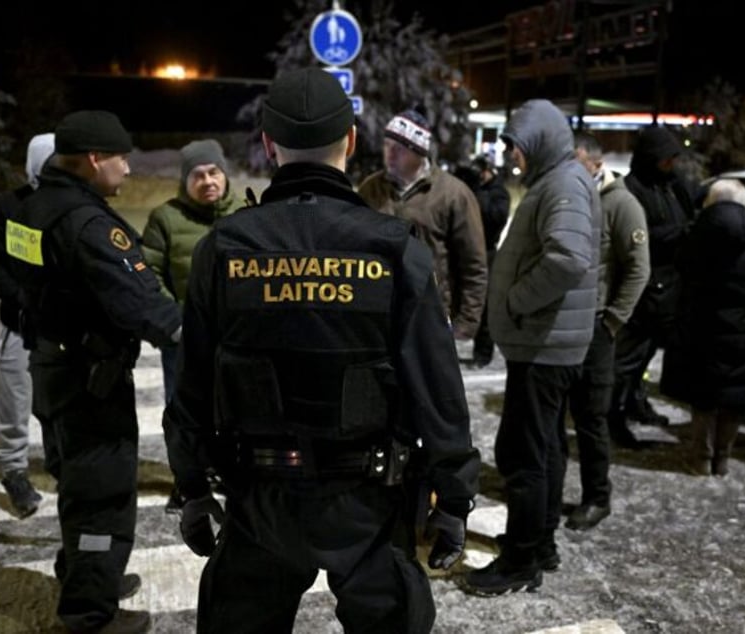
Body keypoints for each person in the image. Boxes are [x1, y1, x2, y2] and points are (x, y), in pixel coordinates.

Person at [163, 67, 480, 633]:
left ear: (267, 145)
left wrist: (190, 485)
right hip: (369, 505)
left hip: (258, 500)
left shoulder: (226, 249)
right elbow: (437, 386)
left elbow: (190, 383)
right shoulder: (393, 249)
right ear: (352, 140)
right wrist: (454, 495)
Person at [7, 110, 181, 634]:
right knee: (102, 495)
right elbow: (145, 304)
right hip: (89, 381)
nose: (128, 169)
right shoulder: (89, 225)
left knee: (77, 483)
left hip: (51, 367)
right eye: (121, 158)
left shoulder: (29, 209)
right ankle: (89, 613)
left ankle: (84, 573)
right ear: (94, 159)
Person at [461, 99, 601, 595]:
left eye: (515, 146)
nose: (511, 157)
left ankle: (520, 560)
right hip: (547, 343)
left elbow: (566, 259)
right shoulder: (558, 180)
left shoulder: (562, 183)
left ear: (539, 140)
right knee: (543, 448)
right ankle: (539, 544)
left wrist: (517, 299)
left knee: (523, 453)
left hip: (544, 343)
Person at [141, 138, 239, 514]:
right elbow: (150, 273)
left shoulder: (245, 212)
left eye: (214, 172)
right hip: (185, 338)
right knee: (183, 410)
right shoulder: (165, 219)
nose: (208, 181)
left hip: (234, 337)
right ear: (185, 181)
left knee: (232, 409)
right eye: (198, 175)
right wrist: (176, 322)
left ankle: (229, 473)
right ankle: (188, 480)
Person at [565, 132, 650, 530]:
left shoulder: (621, 203)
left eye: (577, 161)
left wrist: (614, 320)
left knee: (591, 417)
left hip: (597, 325)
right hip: (566, 323)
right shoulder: (571, 197)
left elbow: (638, 268)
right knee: (561, 414)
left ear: (596, 164)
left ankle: (598, 497)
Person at [664, 179, 745, 476]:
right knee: (735, 400)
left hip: (702, 329)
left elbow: (680, 268)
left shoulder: (693, 236)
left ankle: (700, 457)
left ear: (711, 202)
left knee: (703, 398)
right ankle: (723, 458)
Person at [0, 133, 54, 518]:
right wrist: (18, 295)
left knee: (58, 400)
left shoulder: (74, 206)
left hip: (63, 329)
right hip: (19, 326)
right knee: (15, 400)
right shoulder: (7, 207)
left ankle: (60, 461)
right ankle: (12, 468)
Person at [357, 108, 487, 340]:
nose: (390, 155)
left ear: (419, 153)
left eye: (399, 149)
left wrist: (465, 326)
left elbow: (473, 266)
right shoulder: (371, 189)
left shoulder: (453, 194)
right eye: (387, 146)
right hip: (378, 317)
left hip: (431, 319)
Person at [608, 125, 696, 438]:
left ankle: (635, 401)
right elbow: (636, 239)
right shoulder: (632, 189)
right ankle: (613, 416)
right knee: (627, 358)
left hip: (670, 287)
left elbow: (691, 214)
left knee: (645, 356)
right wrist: (681, 234)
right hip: (642, 288)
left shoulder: (673, 186)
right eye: (665, 159)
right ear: (650, 158)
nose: (671, 165)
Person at [459, 155, 511, 367]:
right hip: (466, 251)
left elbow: (495, 219)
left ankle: (483, 353)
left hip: (487, 253)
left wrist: (478, 192)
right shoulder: (472, 189)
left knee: (485, 305)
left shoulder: (498, 193)